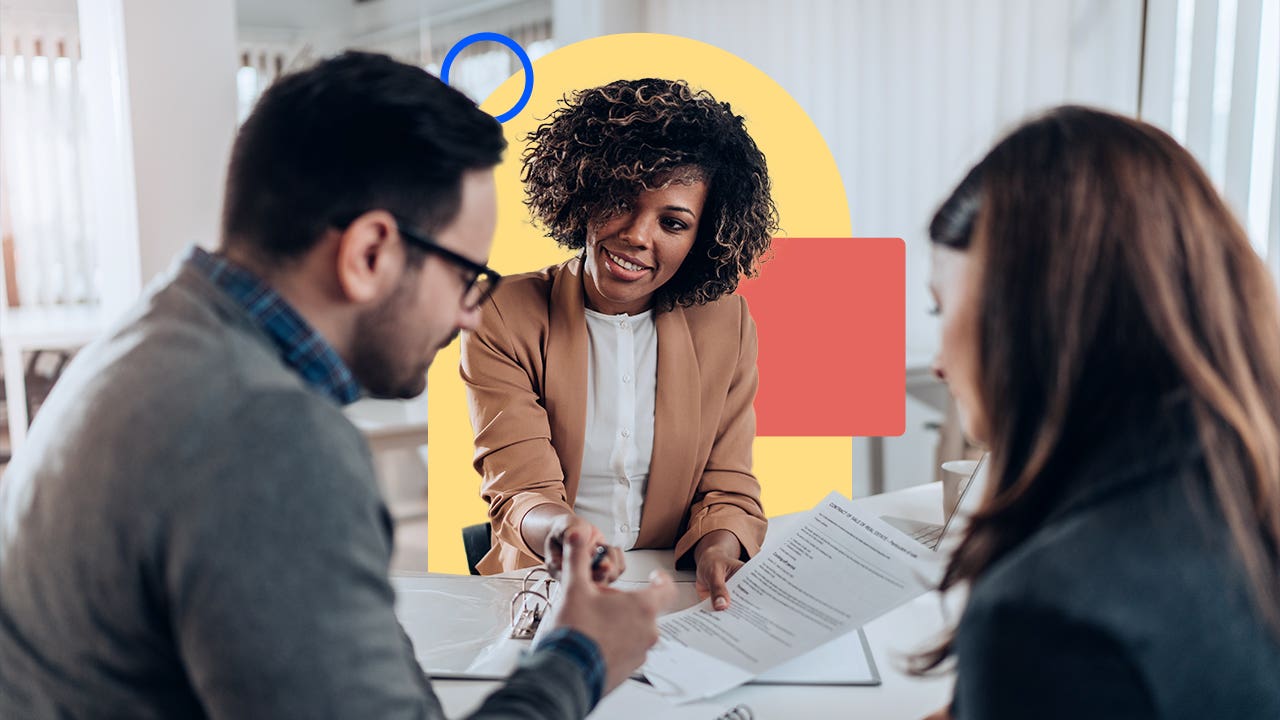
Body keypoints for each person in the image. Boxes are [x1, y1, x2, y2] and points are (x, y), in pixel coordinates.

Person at [0, 52, 675, 720]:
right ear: (369, 254)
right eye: (466, 276)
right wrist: (580, 657)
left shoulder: (156, 333)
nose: (469, 312)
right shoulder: (265, 434)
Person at [922, 106, 1280, 718]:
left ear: (1033, 321)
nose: (937, 363)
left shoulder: (1044, 618)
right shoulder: (1239, 491)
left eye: (940, 310)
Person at [461, 78, 778, 610]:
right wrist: (568, 539)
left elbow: (727, 485)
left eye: (672, 222)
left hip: (676, 592)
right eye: (622, 201)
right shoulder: (501, 312)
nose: (637, 235)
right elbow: (520, 489)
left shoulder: (726, 322)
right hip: (547, 582)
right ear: (585, 193)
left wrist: (721, 546)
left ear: (702, 239)